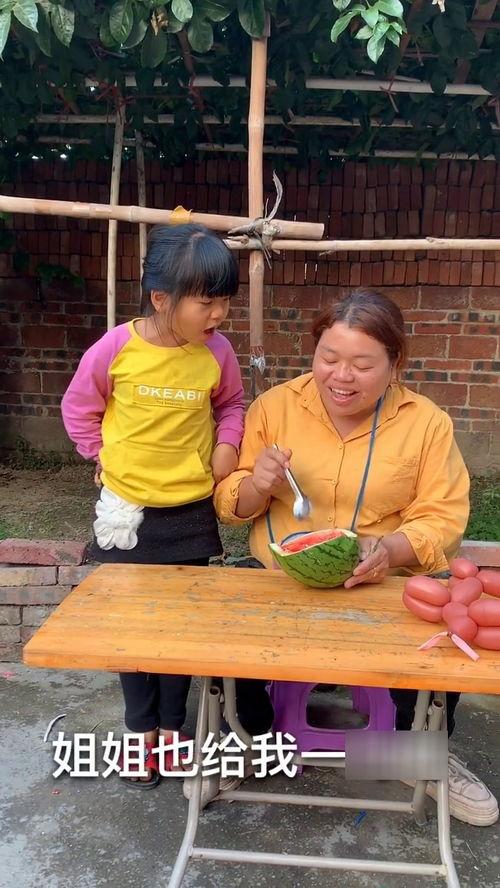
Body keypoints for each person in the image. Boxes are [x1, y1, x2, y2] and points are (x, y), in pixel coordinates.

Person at [215, 288, 499, 827]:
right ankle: (247, 741)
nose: (341, 377)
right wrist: (255, 485)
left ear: (395, 366)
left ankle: (417, 757)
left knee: (444, 634)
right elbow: (231, 505)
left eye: (362, 364)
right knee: (229, 636)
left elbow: (443, 515)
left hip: (384, 581)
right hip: (280, 577)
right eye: (328, 358)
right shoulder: (275, 407)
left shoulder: (427, 423)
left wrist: (391, 550)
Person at [61, 223, 273, 789]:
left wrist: (228, 444)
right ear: (162, 299)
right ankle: (140, 735)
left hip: (189, 513)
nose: (219, 314)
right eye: (208, 302)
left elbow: (231, 405)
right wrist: (100, 456)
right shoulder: (115, 349)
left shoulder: (218, 353)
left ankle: (174, 734)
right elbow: (79, 407)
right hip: (127, 514)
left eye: (225, 301)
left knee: (180, 631)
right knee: (131, 630)